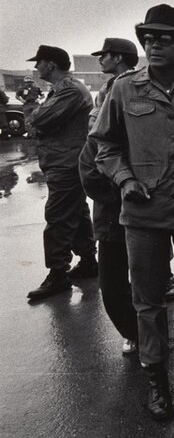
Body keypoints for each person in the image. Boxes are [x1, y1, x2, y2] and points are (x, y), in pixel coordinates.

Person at [90, 4, 174, 421]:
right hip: (142, 212)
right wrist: (125, 180)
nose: (152, 43)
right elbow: (105, 145)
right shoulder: (124, 88)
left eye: (163, 37)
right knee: (147, 301)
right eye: (148, 37)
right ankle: (157, 379)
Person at [79, 38, 141, 355]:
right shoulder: (103, 108)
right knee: (116, 284)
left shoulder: (135, 104)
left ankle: (148, 336)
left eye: (104, 56)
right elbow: (90, 166)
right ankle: (139, 334)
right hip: (117, 211)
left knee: (142, 282)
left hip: (139, 212)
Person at [25, 45, 98, 300]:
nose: (36, 68)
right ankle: (88, 261)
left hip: (66, 163)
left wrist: (32, 113)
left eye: (39, 63)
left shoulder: (69, 90)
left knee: (57, 216)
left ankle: (58, 274)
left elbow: (38, 120)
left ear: (51, 65)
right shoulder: (64, 89)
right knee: (76, 212)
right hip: (65, 161)